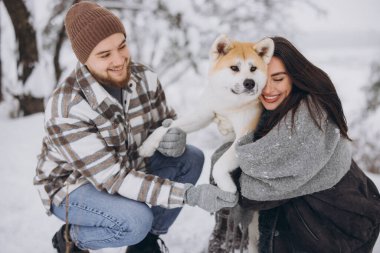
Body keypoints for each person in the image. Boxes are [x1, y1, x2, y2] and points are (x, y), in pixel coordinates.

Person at [33, 2, 237, 253]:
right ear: (83, 59)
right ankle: (72, 237)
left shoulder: (144, 77)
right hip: (73, 187)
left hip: (129, 166)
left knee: (190, 158)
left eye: (122, 46)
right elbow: (115, 178)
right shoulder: (67, 109)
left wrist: (173, 137)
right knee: (136, 220)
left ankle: (146, 244)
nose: (120, 60)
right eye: (105, 55)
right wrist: (189, 195)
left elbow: (166, 121)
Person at [208, 36, 380, 253]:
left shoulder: (309, 116)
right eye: (263, 80)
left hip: (334, 231)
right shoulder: (271, 110)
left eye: (278, 79)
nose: (268, 90)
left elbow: (257, 189)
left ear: (295, 77)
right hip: (319, 223)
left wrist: (222, 176)